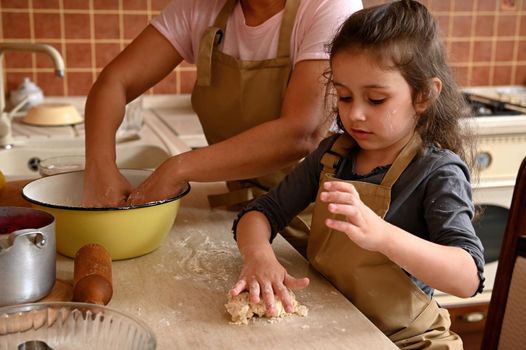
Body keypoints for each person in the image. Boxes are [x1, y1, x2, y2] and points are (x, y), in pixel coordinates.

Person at [229, 1, 485, 348]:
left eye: (376, 100)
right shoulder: (334, 155)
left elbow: (467, 276)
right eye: (345, 97)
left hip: (407, 341)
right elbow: (262, 212)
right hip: (342, 328)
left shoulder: (436, 172)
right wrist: (259, 255)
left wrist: (381, 235)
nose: (356, 115)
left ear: (423, 95)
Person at [83, 0, 362, 209]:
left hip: (316, 218)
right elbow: (114, 81)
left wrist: (177, 169)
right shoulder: (203, 6)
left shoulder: (328, 6)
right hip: (243, 213)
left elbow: (302, 133)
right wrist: (100, 165)